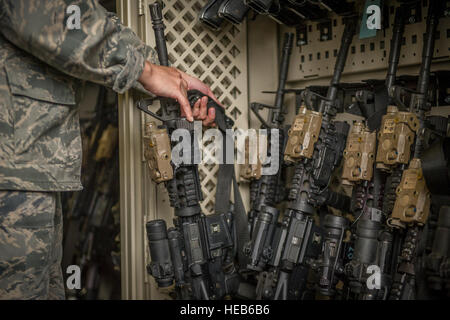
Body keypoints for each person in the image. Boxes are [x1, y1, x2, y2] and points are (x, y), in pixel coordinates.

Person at [0, 0, 220, 299]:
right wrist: (147, 70)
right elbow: (47, 11)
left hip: (26, 163)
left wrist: (165, 78)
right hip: (15, 165)